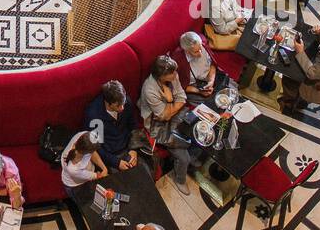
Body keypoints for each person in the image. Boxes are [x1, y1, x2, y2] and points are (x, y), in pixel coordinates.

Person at [139, 55, 197, 195]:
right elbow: (163, 116)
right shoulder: (150, 89)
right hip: (156, 125)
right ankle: (180, 179)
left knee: (196, 124)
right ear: (162, 75)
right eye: (172, 73)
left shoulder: (173, 75)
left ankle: (189, 148)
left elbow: (182, 97)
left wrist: (171, 102)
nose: (175, 75)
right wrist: (171, 100)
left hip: (173, 115)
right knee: (184, 157)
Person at [85, 80, 139, 170]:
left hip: (128, 147)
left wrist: (134, 149)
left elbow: (133, 125)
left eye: (123, 103)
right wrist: (116, 162)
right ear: (107, 102)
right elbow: (96, 146)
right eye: (118, 106)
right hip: (110, 155)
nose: (122, 108)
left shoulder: (125, 102)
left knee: (144, 172)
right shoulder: (94, 115)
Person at [173, 31, 223, 100]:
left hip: (211, 77)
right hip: (194, 87)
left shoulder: (202, 42)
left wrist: (211, 81)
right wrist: (199, 91)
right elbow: (179, 86)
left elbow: (212, 64)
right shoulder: (178, 59)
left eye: (200, 48)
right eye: (196, 52)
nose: (200, 54)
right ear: (187, 51)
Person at [60, 131, 108, 196]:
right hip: (76, 186)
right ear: (87, 152)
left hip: (86, 174)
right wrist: (102, 175)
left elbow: (93, 153)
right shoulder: (73, 169)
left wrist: (104, 169)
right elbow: (96, 176)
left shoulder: (84, 137)